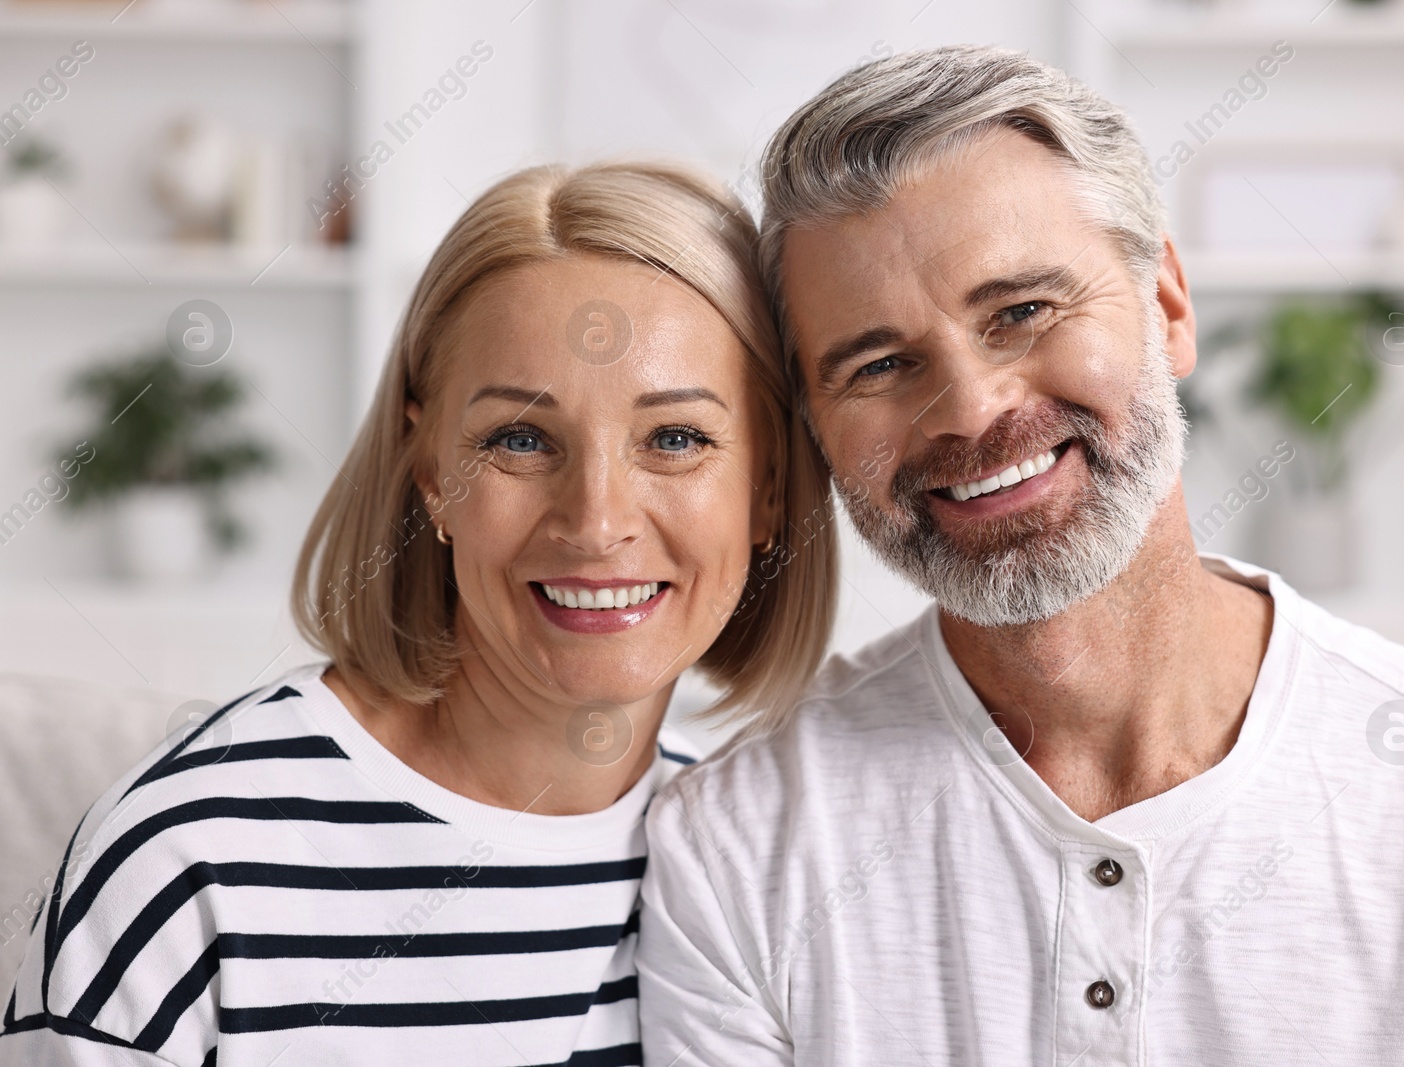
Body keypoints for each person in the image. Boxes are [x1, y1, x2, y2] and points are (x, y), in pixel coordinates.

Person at [637, 46, 1404, 1064]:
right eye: (879, 363)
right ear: (816, 425)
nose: (970, 407)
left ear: (1167, 308)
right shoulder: (735, 845)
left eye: (1022, 311)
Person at [0, 162, 835, 1066]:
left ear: (771, 489)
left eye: (676, 438)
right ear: (431, 472)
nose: (597, 523)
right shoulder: (183, 863)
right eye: (519, 438)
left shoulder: (760, 870)